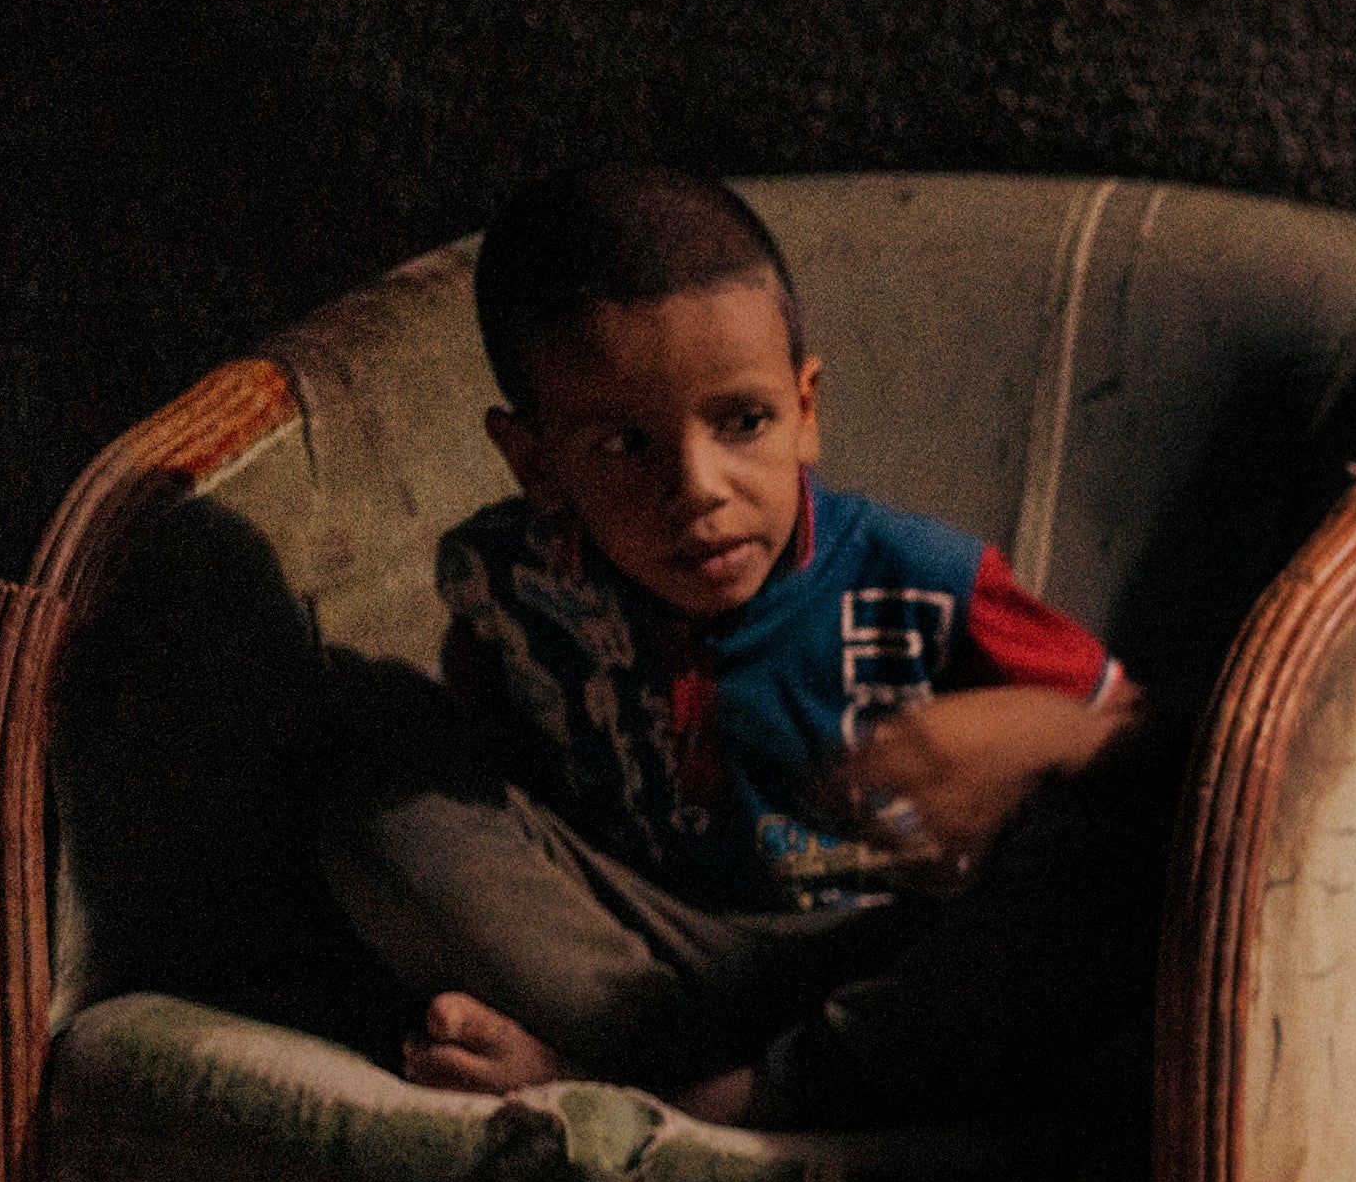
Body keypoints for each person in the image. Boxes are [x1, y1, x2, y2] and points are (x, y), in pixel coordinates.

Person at [314, 164, 1155, 1130]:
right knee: (368, 787)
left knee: (1115, 875)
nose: (699, 487)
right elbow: (491, 752)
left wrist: (1041, 731)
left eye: (742, 421)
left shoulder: (925, 580)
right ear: (535, 459)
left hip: (885, 953)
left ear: (807, 411)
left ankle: (668, 1088)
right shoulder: (511, 577)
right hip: (641, 943)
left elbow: (1150, 746)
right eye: (625, 445)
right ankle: (701, 1087)